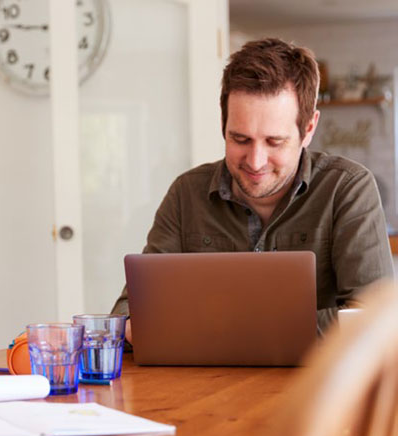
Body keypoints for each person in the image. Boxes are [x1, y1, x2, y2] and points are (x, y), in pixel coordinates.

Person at [112, 38, 394, 339]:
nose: (256, 161)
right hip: (205, 384)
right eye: (240, 139)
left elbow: (375, 319)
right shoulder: (186, 194)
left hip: (318, 384)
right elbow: (128, 316)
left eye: (274, 141)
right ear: (223, 124)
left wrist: (230, 328)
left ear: (308, 129)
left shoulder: (347, 189)